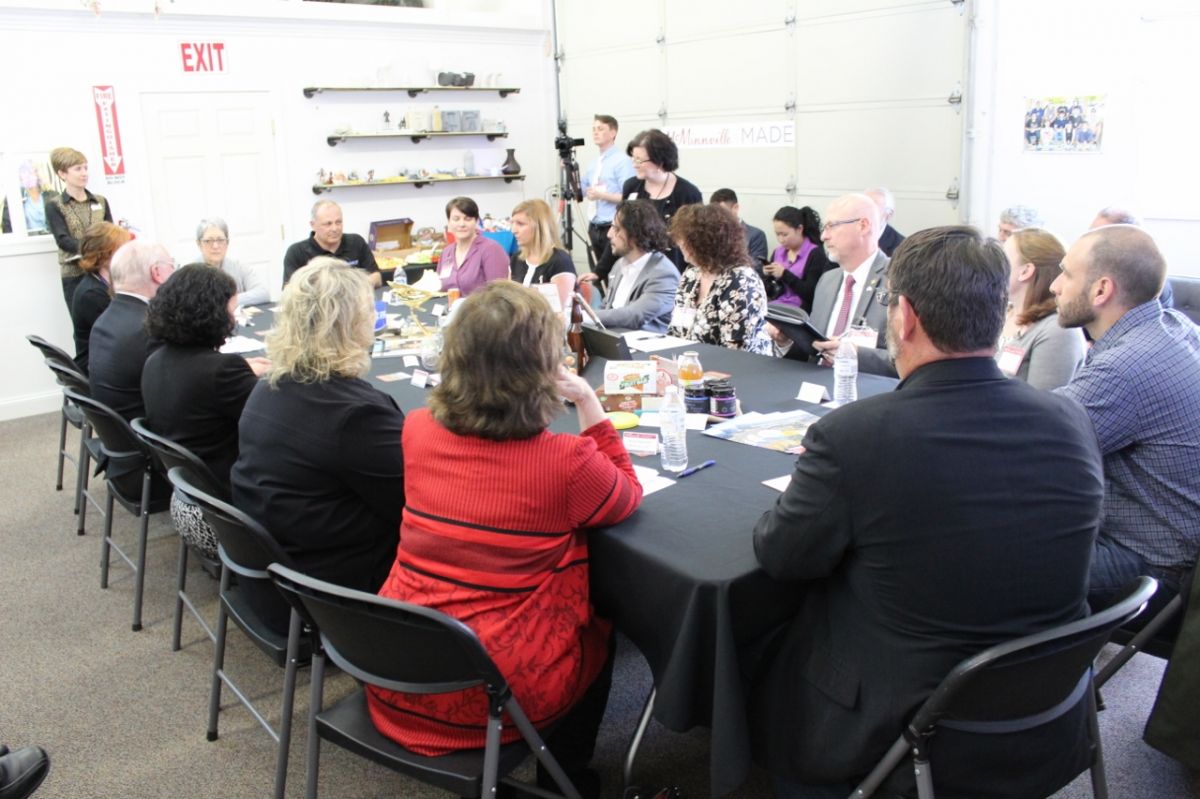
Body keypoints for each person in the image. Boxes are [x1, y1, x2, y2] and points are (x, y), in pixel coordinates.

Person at [750, 226, 1104, 798]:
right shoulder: (1071, 420)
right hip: (1049, 709)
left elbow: (782, 556)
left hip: (908, 725)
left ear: (904, 316)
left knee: (762, 638)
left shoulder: (855, 438)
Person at [368, 282, 642, 799]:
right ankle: (568, 782)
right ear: (543, 366)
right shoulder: (564, 460)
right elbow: (626, 494)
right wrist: (587, 399)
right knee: (600, 631)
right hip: (493, 696)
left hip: (393, 665)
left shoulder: (417, 428)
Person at [231, 257, 404, 597]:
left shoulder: (269, 386)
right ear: (352, 323)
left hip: (273, 573)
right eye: (370, 310)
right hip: (336, 590)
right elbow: (414, 505)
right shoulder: (356, 415)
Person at [1051, 224, 1200, 617]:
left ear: (1101, 290)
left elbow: (1033, 440)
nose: (1054, 286)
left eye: (1066, 273)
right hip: (1175, 546)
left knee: (995, 566)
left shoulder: (1125, 369)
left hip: (1155, 566)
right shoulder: (1172, 327)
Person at [142, 265, 270, 557]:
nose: (233, 319)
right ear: (210, 313)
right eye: (231, 311)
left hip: (187, 499)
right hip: (227, 517)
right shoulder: (221, 371)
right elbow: (273, 422)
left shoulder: (155, 360)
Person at [798, 193, 894, 376]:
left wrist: (856, 356)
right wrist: (786, 340)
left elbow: (912, 361)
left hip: (868, 393)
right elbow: (814, 350)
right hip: (816, 386)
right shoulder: (827, 281)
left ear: (863, 226)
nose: (823, 236)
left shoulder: (898, 279)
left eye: (831, 226)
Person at [666, 203, 772, 354]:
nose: (679, 243)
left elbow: (737, 349)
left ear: (705, 242)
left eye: (685, 239)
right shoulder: (691, 274)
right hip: (691, 365)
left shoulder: (741, 280)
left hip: (736, 369)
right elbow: (675, 331)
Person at [88, 239, 175, 421]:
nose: (174, 273)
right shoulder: (150, 328)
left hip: (118, 432)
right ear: (157, 273)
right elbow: (185, 387)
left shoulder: (106, 319)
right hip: (150, 437)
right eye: (171, 266)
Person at [997, 228, 1085, 389]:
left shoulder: (1058, 330)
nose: (994, 266)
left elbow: (1042, 406)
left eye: (1002, 259)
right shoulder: (1003, 314)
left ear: (1025, 271)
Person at [620, 128, 703, 272]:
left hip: (674, 273)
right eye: (633, 158)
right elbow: (619, 230)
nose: (634, 164)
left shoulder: (687, 193)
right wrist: (600, 271)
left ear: (659, 162)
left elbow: (698, 243)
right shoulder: (631, 186)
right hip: (635, 270)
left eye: (639, 160)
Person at [593, 199, 680, 333]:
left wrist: (584, 315)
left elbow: (634, 316)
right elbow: (607, 307)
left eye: (616, 229)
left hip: (647, 350)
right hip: (615, 344)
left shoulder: (664, 274)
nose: (609, 234)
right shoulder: (618, 265)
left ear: (634, 234)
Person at [44, 146, 114, 310]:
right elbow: (63, 240)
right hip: (74, 275)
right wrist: (94, 250)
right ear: (62, 174)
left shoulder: (100, 201)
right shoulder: (55, 205)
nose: (84, 173)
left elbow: (111, 233)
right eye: (78, 169)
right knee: (83, 322)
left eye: (85, 168)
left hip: (103, 271)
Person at [71, 221, 132, 374]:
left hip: (106, 359)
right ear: (102, 254)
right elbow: (121, 335)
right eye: (122, 250)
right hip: (99, 368)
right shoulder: (92, 294)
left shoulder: (101, 282)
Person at [1089, 206, 1174, 308]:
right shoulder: (1097, 267)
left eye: (1100, 237)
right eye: (1090, 234)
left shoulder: (1149, 280)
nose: (1090, 243)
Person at [282, 200, 380, 288]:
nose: (335, 228)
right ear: (313, 225)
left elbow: (376, 277)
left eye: (338, 222)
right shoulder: (296, 252)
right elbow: (288, 291)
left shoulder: (356, 242)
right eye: (328, 224)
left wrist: (351, 288)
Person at [581, 114, 636, 260]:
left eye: (600, 129)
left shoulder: (622, 162)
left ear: (613, 132)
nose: (595, 132)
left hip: (613, 226)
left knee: (613, 271)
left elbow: (628, 197)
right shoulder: (594, 163)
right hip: (594, 226)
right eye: (593, 129)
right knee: (596, 274)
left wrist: (601, 196)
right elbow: (581, 191)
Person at [509, 199, 576, 311]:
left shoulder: (560, 261)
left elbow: (558, 312)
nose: (513, 230)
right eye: (513, 223)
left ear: (539, 226)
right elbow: (510, 300)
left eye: (520, 224)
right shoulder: (516, 258)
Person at [763, 205, 833, 312]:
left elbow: (811, 294)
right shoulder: (778, 252)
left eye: (785, 234)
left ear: (800, 229)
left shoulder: (815, 253)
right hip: (776, 305)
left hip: (799, 311)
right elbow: (770, 290)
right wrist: (767, 276)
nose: (781, 240)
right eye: (777, 234)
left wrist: (784, 274)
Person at [435, 196, 509, 296]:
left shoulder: (491, 249)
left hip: (481, 311)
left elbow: (498, 294)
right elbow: (438, 289)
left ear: (477, 221)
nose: (462, 224)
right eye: (456, 219)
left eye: (468, 219)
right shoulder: (446, 252)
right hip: (450, 310)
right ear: (449, 222)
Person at [194, 217, 270, 306]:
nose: (215, 246)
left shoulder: (239, 267)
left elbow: (263, 293)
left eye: (220, 240)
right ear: (199, 244)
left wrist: (230, 301)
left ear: (227, 243)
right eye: (208, 241)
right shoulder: (189, 274)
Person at [711, 188, 769, 265]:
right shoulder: (710, 233)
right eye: (714, 213)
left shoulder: (756, 235)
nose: (718, 217)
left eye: (722, 212)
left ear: (736, 208)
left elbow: (757, 267)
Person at [864, 187, 905, 256]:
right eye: (862, 207)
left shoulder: (901, 247)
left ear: (888, 215)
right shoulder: (847, 236)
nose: (864, 212)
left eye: (872, 208)